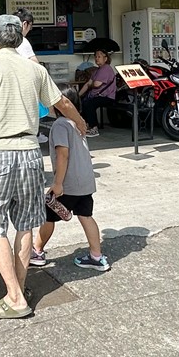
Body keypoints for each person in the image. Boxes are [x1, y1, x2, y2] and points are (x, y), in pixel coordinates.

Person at [0, 14, 86, 320]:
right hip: (30, 153)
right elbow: (62, 103)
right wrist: (81, 122)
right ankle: (19, 289)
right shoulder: (34, 69)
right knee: (25, 224)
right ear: (20, 40)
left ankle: (15, 298)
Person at [30, 86, 110, 272]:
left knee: (48, 215)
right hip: (85, 181)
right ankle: (97, 256)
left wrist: (57, 183)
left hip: (69, 183)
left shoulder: (60, 125)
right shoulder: (77, 122)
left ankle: (37, 251)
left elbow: (62, 154)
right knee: (85, 215)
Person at [77, 50, 117, 137]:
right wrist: (77, 96)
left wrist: (91, 84)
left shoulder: (106, 69)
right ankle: (85, 125)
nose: (96, 59)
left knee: (89, 104)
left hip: (107, 97)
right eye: (95, 57)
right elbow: (87, 84)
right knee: (83, 102)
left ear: (105, 58)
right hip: (97, 95)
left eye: (99, 57)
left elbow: (96, 84)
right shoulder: (97, 70)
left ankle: (94, 128)